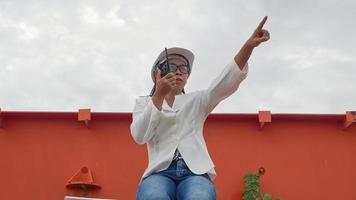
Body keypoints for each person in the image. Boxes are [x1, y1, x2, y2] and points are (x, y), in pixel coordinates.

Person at [130, 16, 270, 200]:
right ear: (158, 73)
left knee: (200, 196)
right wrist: (157, 96)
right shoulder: (144, 103)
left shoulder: (197, 100)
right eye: (172, 66)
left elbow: (225, 82)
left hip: (195, 173)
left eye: (184, 68)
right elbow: (140, 136)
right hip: (158, 173)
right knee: (152, 196)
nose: (179, 71)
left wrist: (248, 47)